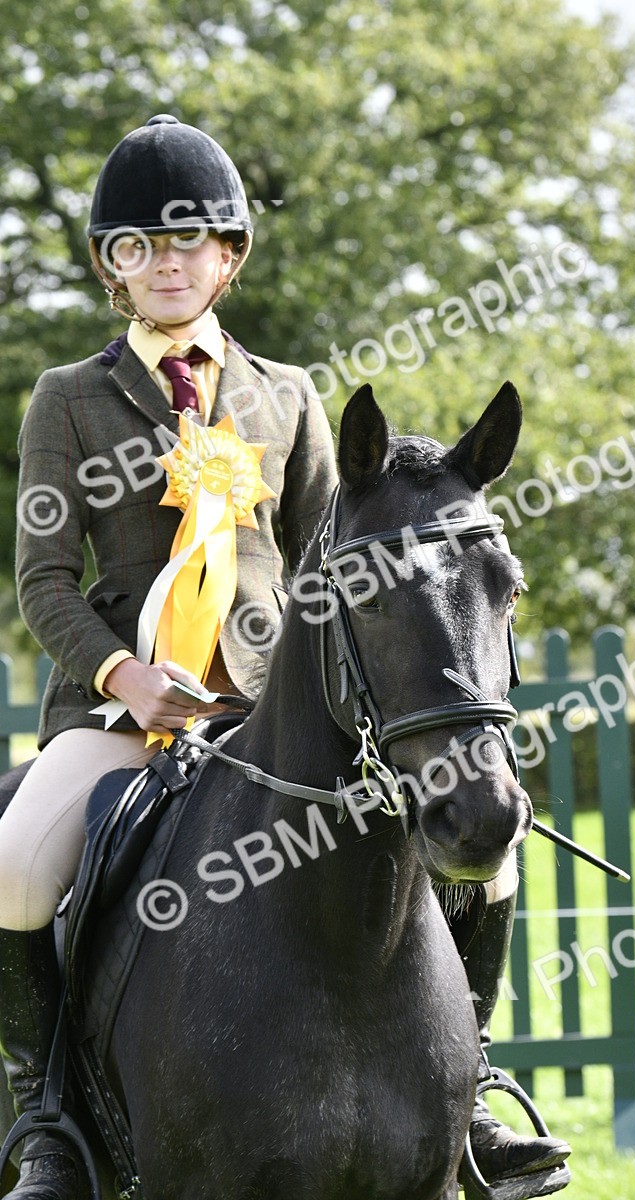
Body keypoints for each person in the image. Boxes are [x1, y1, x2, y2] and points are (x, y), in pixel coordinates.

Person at [0, 115, 569, 1199]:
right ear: (110, 269)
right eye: (137, 248)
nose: (165, 264)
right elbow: (45, 581)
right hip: (120, 717)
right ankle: (47, 1122)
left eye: (189, 243)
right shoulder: (65, 399)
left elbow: (334, 562)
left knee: (488, 854)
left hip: (279, 717)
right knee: (15, 868)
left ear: (228, 256)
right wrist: (124, 677)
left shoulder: (288, 394)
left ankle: (471, 1098)